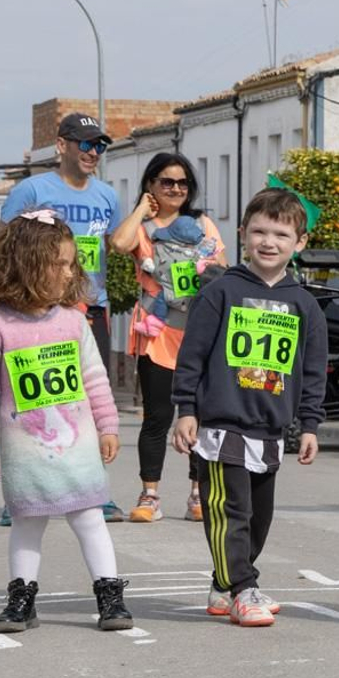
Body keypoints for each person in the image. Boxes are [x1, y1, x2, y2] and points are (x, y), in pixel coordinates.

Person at [0, 211, 130, 633]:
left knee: (90, 519)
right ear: (26, 265)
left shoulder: (74, 321)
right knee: (26, 522)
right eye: (58, 264)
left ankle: (110, 595)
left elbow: (95, 378)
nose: (69, 272)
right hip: (25, 453)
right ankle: (21, 599)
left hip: (78, 449)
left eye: (71, 263)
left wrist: (108, 426)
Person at [170, 189, 326, 627]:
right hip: (222, 426)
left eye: (281, 234)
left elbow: (313, 370)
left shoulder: (305, 305)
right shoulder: (220, 292)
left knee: (258, 520)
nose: (268, 242)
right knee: (229, 513)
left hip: (270, 429)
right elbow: (192, 356)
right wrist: (186, 410)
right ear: (242, 234)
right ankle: (242, 587)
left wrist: (310, 425)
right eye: (259, 231)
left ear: (300, 242)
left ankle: (224, 586)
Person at [0, 112, 126, 523]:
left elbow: (117, 246)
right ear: (61, 146)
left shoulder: (107, 196)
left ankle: (94, 491)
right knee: (31, 402)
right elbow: (4, 247)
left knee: (88, 401)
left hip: (90, 308)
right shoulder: (32, 190)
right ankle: (18, 495)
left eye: (99, 145)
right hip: (38, 309)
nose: (94, 152)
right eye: (85, 144)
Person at [113, 154, 226, 524]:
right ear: (151, 185)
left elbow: (222, 270)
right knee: (157, 417)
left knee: (199, 417)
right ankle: (150, 495)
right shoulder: (143, 229)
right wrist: (141, 210)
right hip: (158, 334)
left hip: (199, 334)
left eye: (182, 183)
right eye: (166, 182)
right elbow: (119, 243)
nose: (176, 189)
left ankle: (197, 495)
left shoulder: (203, 224)